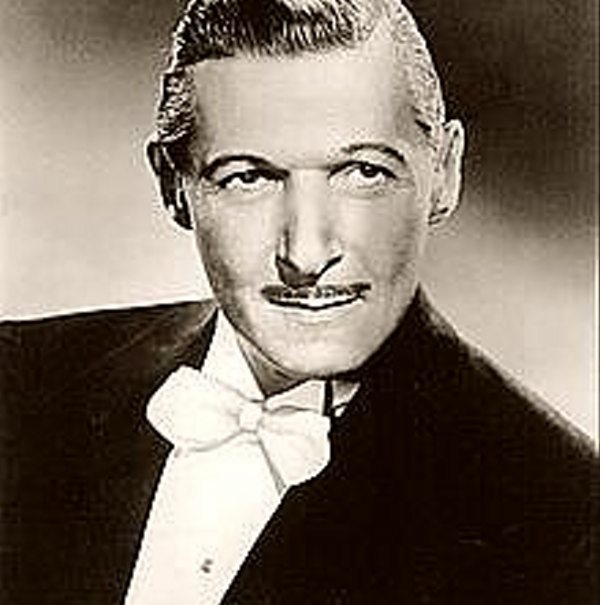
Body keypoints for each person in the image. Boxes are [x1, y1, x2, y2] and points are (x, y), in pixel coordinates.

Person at [0, 0, 595, 603]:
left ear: (444, 172)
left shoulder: (563, 506)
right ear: (172, 184)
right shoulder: (18, 378)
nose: (306, 254)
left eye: (364, 172)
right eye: (248, 177)